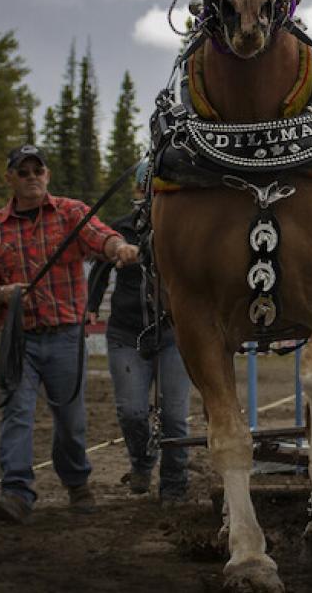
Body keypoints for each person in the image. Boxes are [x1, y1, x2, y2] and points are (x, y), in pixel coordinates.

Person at [0, 144, 139, 524]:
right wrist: (3, 293)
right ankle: (15, 492)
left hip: (65, 336)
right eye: (23, 171)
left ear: (47, 175)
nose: (32, 177)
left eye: (38, 171)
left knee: (70, 419)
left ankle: (77, 482)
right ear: (10, 178)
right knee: (17, 412)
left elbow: (102, 237)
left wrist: (121, 248)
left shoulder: (71, 213)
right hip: (19, 339)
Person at [86, 161, 192, 503]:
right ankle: (143, 462)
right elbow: (100, 271)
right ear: (137, 190)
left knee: (175, 415)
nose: (151, 193)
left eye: (159, 187)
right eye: (147, 186)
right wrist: (90, 305)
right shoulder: (121, 231)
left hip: (173, 333)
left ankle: (175, 486)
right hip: (126, 333)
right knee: (131, 411)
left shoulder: (183, 231)